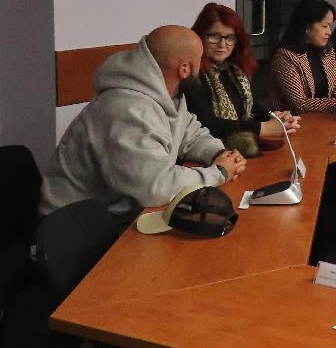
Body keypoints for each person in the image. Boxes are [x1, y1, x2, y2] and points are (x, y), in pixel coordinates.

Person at [38, 25, 247, 220]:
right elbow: (155, 187)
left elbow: (191, 133)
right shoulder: (127, 110)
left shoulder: (168, 94)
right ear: (184, 69)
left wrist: (218, 154)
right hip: (76, 226)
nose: (203, 67)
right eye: (199, 60)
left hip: (118, 210)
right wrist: (218, 173)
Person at [183, 3, 301, 157]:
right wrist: (265, 128)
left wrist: (275, 118)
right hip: (210, 154)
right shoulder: (191, 73)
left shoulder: (232, 69)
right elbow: (207, 124)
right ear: (199, 37)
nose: (222, 45)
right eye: (214, 36)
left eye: (229, 37)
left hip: (240, 149)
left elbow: (250, 104)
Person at [271, 0, 336, 113]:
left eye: (330, 26)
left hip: (325, 117)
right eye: (324, 26)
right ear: (307, 27)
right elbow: (300, 104)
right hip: (295, 120)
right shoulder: (286, 56)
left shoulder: (326, 51)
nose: (329, 32)